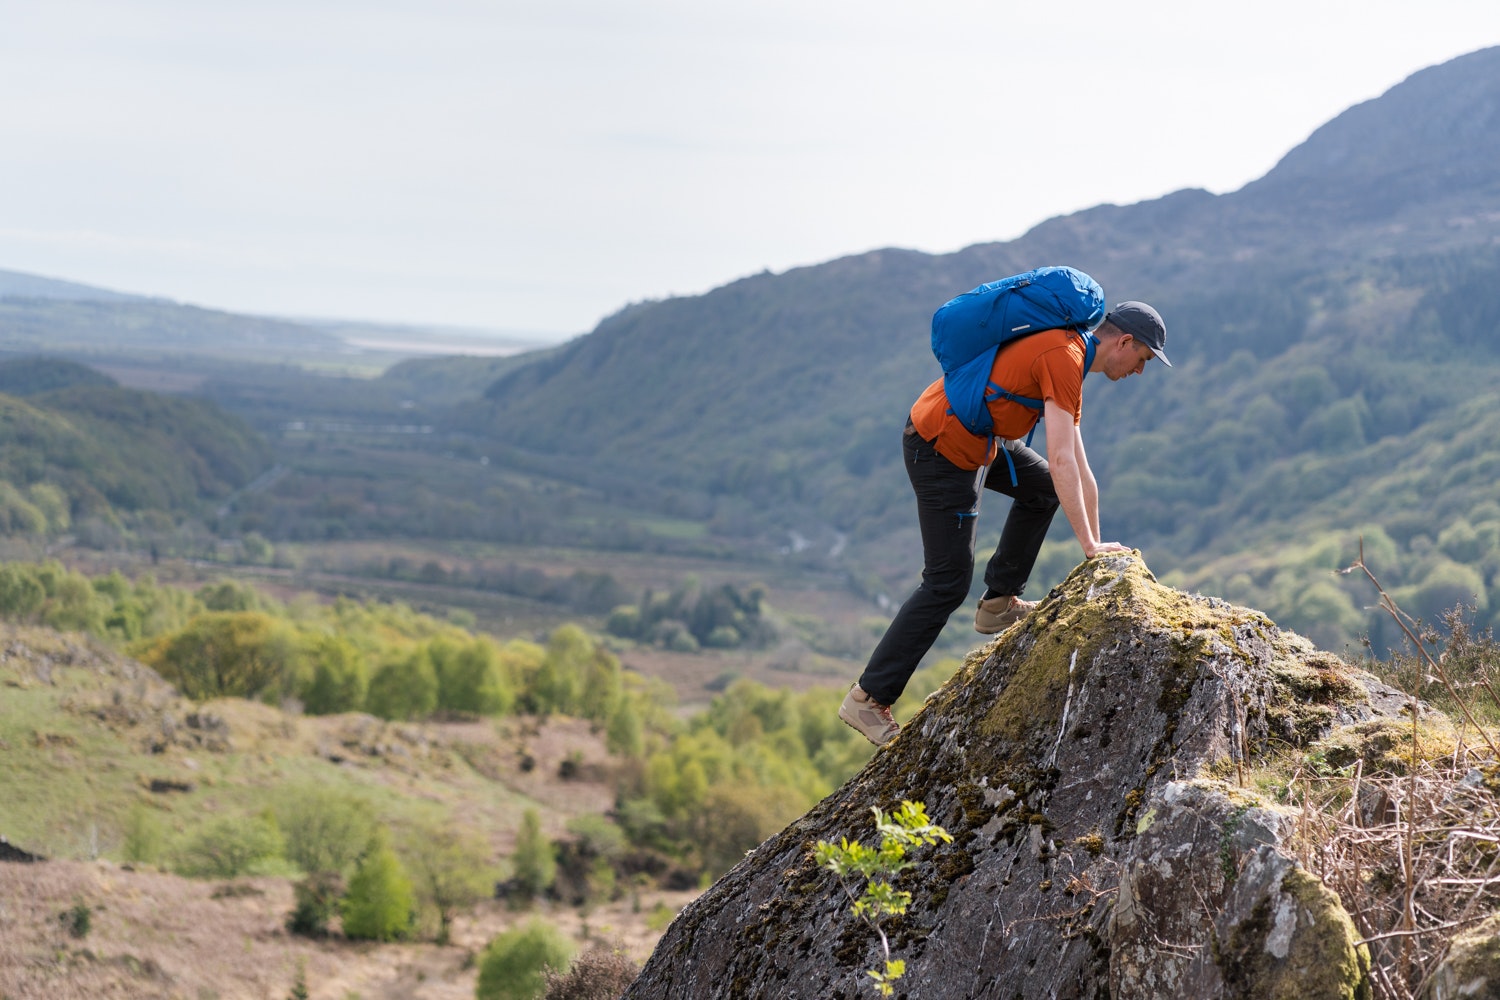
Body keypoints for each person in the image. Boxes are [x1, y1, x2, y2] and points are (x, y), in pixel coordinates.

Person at [838, 299, 1171, 745]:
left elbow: (1077, 465)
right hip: (940, 444)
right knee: (947, 581)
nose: (1140, 371)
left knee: (1045, 488)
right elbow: (1059, 458)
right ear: (1124, 342)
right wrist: (1089, 546)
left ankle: (998, 605)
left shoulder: (1070, 355)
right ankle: (867, 698)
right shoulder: (1063, 356)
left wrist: (1097, 544)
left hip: (978, 438)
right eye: (1143, 359)